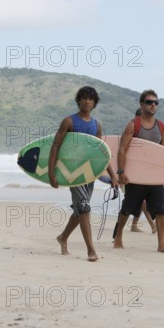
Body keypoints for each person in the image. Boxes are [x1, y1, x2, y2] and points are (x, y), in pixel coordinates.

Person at [48, 86, 119, 262]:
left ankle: (63, 237)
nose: (87, 101)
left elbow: (101, 154)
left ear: (94, 102)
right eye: (84, 98)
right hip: (73, 173)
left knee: (80, 209)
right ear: (79, 100)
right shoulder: (69, 122)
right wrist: (51, 172)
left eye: (90, 98)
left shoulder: (97, 125)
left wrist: (113, 176)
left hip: (89, 173)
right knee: (85, 208)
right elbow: (55, 146)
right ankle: (91, 250)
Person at [113, 89, 164, 253]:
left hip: (154, 176)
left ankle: (161, 244)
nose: (153, 105)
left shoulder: (161, 127)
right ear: (142, 104)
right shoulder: (134, 125)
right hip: (137, 175)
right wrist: (120, 171)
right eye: (149, 102)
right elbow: (122, 150)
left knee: (161, 210)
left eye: (155, 102)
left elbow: (163, 152)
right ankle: (118, 237)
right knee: (127, 208)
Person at [128, 108, 157, 234]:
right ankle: (152, 225)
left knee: (140, 201)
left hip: (143, 174)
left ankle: (134, 225)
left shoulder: (148, 137)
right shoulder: (130, 132)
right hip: (129, 174)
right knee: (140, 202)